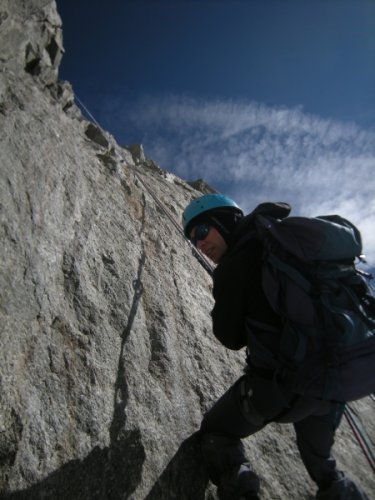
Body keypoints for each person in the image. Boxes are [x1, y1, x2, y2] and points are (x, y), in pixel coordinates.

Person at [182, 194, 369, 500]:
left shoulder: (234, 265)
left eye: (202, 231)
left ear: (224, 221)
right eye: (193, 240)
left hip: (281, 388)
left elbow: (230, 338)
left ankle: (242, 492)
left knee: (216, 433)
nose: (199, 244)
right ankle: (341, 491)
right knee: (321, 461)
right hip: (330, 389)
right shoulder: (283, 242)